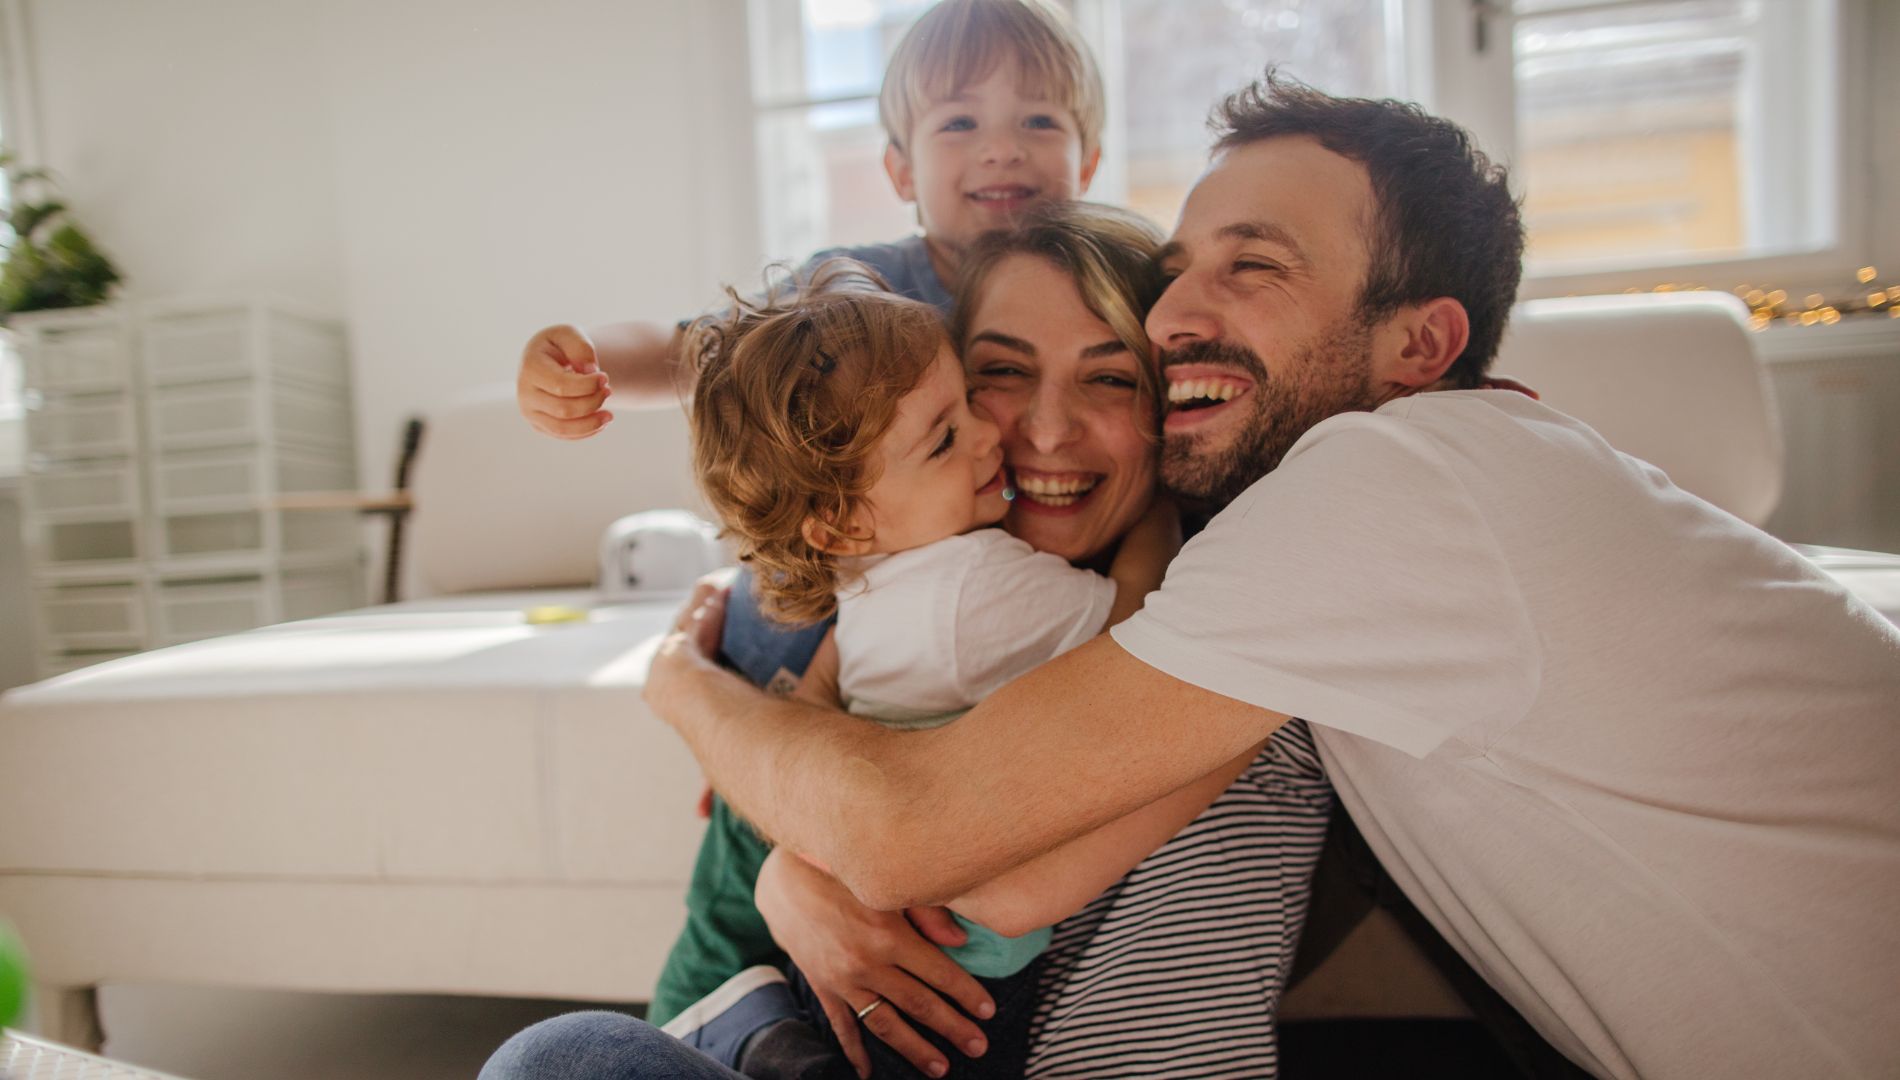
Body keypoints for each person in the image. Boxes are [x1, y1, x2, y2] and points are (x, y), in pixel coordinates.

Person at [643, 71, 1900, 1080]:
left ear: (1423, 344)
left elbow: (926, 841)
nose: (1179, 311)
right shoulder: (1335, 536)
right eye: (1178, 269)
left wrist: (684, 689)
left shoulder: (1383, 487)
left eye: (1250, 266)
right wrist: (786, 861)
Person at [480, 205, 1334, 1080]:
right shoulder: (899, 584)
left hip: (968, 1039)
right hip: (836, 999)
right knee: (563, 1058)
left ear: (1172, 404)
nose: (1030, 432)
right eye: (997, 374)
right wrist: (792, 862)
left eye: (1111, 380)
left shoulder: (1225, 645)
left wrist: (689, 692)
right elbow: (699, 353)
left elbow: (970, 870)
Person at [512, 0, 1104, 439]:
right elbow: (696, 351)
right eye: (959, 124)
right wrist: (586, 359)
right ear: (901, 172)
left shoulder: (1117, 290)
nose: (1001, 149)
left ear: (1089, 165)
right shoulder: (850, 286)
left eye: (1038, 122)